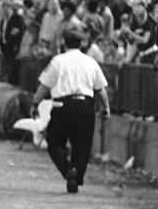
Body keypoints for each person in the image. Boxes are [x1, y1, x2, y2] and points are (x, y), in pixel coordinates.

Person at [30, 28, 110, 194]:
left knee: (55, 142)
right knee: (82, 145)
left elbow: (45, 86)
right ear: (82, 43)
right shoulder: (90, 62)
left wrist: (35, 104)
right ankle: (77, 174)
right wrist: (106, 108)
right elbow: (100, 89)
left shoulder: (57, 61)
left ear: (64, 43)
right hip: (86, 106)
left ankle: (67, 170)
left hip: (62, 106)